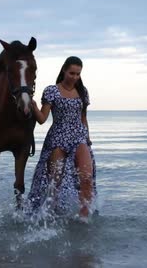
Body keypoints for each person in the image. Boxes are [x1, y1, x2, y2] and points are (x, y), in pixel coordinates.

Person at [26, 56, 96, 219]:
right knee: (54, 183)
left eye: (78, 74)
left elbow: (83, 117)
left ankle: (84, 218)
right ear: (64, 70)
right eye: (72, 73)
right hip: (58, 138)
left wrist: (87, 137)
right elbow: (42, 119)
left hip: (79, 136)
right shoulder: (52, 90)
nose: (75, 77)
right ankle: (49, 215)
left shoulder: (82, 91)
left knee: (86, 178)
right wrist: (34, 106)